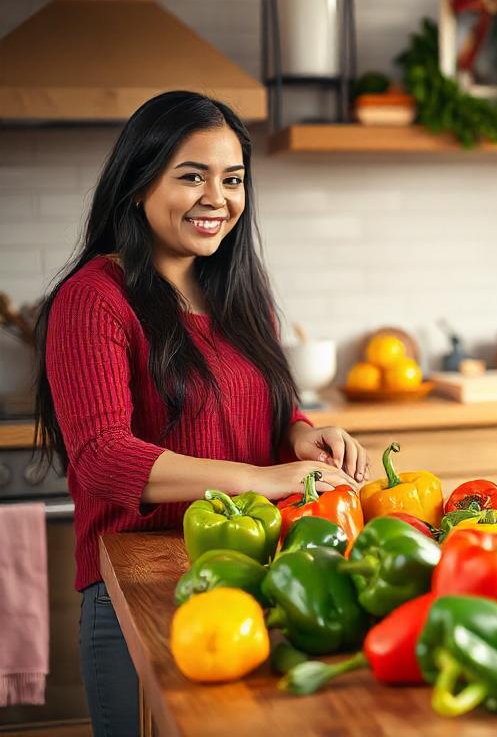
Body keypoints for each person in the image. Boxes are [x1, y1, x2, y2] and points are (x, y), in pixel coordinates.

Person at [33, 91, 369, 735]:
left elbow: (273, 405)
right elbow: (104, 459)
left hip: (259, 577)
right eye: (192, 176)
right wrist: (260, 479)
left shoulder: (240, 290)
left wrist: (302, 435)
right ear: (137, 184)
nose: (218, 198)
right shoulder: (93, 298)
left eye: (233, 179)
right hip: (143, 591)